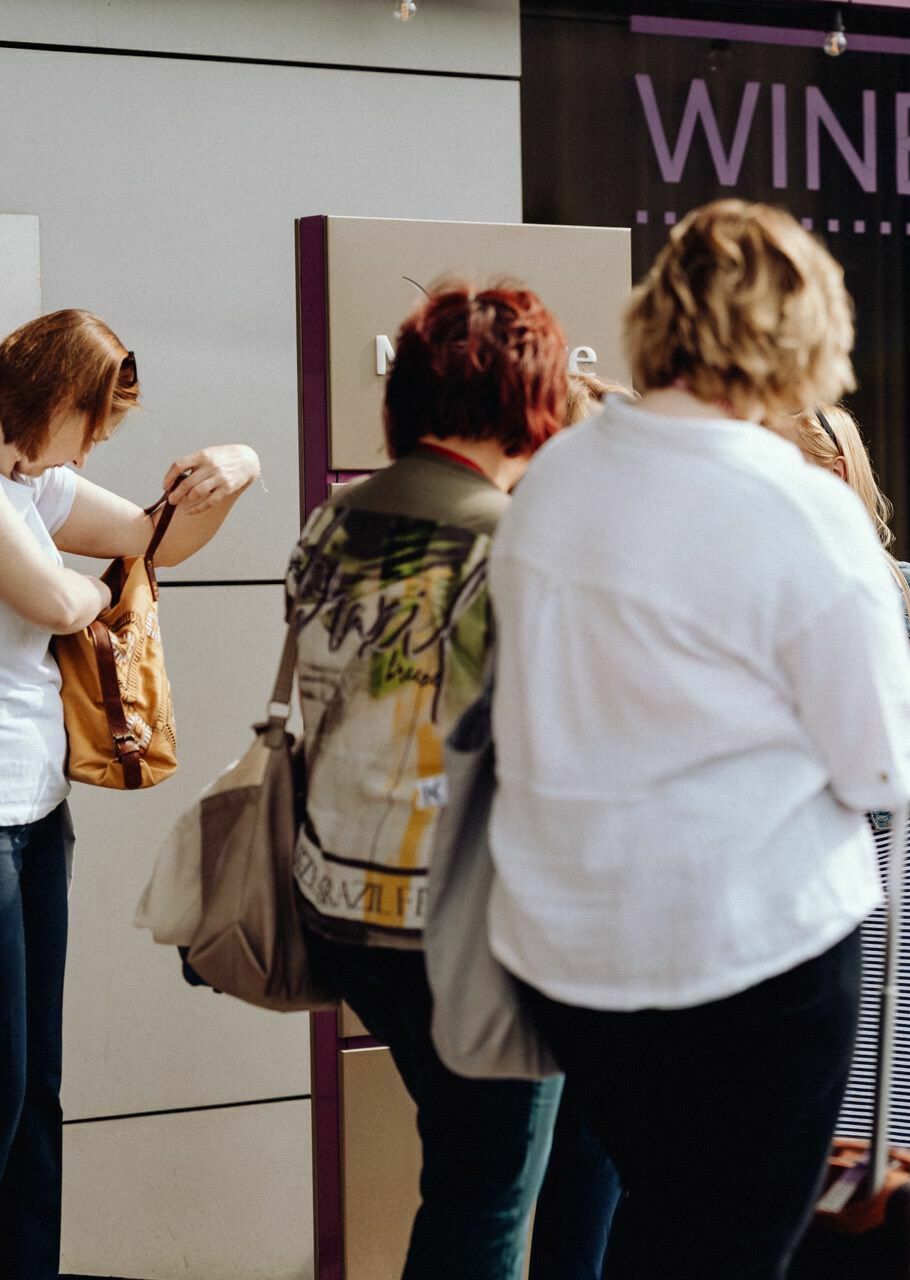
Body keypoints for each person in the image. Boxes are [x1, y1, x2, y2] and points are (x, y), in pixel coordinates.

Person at [486, 199, 910, 1280]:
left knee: (659, 1214)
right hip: (745, 954)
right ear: (801, 332)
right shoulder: (798, 507)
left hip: (574, 949)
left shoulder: (555, 479)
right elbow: (885, 758)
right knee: (731, 1241)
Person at [287, 283, 570, 1280]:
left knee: (468, 1163)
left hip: (345, 904)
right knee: (484, 1193)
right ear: (532, 396)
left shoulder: (336, 518)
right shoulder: (508, 539)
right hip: (471, 920)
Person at [0, 309, 259, 1279]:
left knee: (37, 1093)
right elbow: (58, 599)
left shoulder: (36, 482)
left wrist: (237, 467)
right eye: (94, 421)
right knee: (3, 1082)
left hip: (32, 812)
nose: (99, 443)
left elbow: (153, 541)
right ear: (55, 399)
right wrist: (93, 587)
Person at [783, 402, 910, 1151]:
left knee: (878, 1059)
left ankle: (874, 1222)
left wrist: (883, 747)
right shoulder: (753, 586)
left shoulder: (908, 592)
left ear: (831, 473)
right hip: (779, 852)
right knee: (793, 1064)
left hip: (881, 852)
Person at [527, 369, 635, 1280]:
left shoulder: (514, 547)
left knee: (519, 1172)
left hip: (535, 901)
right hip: (599, 909)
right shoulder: (600, 571)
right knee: (588, 1160)